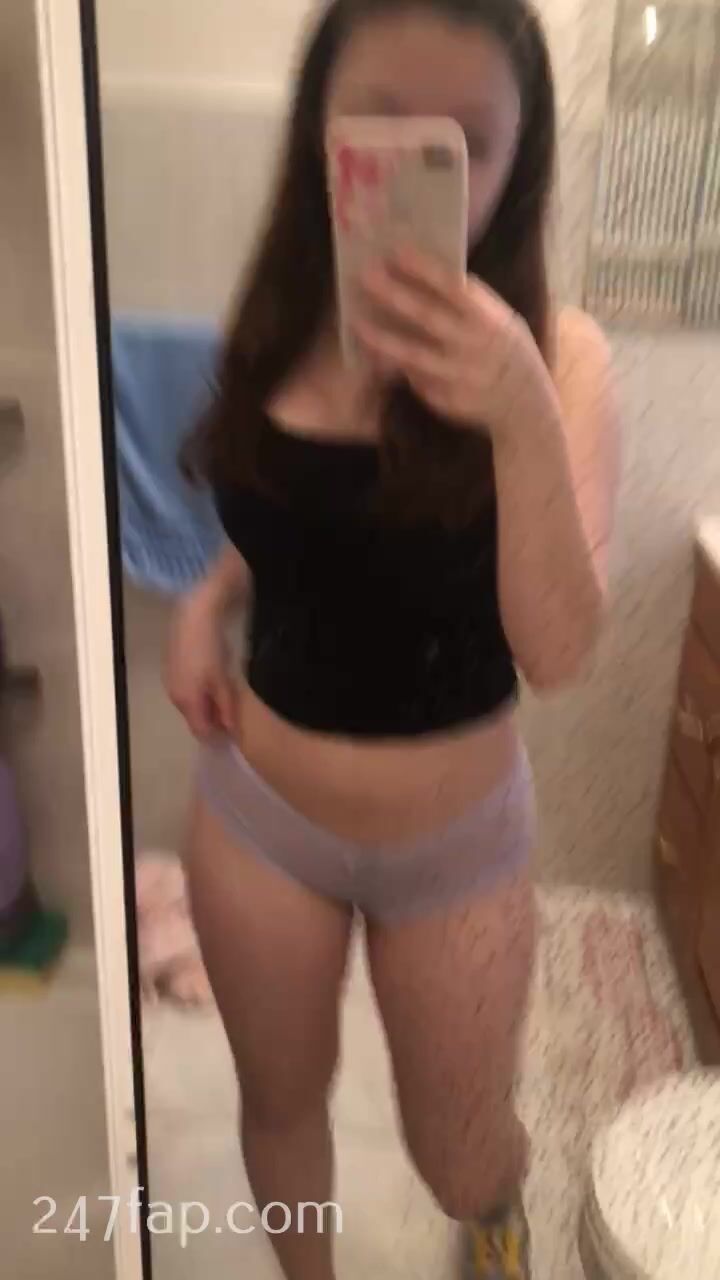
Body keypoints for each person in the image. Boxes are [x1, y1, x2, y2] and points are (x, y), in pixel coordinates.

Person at [166, 0, 621, 1276]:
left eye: (465, 146)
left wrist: (520, 410)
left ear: (521, 158)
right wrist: (206, 601)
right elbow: (293, 518)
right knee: (278, 1105)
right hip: (260, 814)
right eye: (380, 127)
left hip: (455, 844)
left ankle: (497, 1231)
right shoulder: (275, 326)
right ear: (319, 134)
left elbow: (560, 652)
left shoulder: (562, 357)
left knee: (463, 1155)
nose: (425, 172)